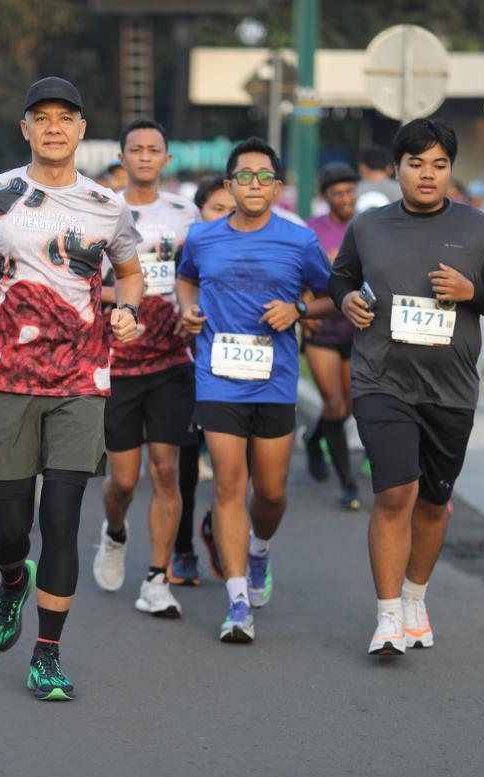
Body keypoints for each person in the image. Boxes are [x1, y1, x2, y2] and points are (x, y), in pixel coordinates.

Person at [0, 77, 143, 700]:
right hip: (6, 376)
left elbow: (130, 272)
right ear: (25, 128)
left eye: (66, 118)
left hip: (83, 379)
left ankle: (47, 653)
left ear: (82, 130)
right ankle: (11, 580)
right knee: (10, 530)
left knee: (61, 520)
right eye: (42, 118)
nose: (54, 128)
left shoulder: (107, 203)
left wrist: (128, 310)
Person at [329, 119, 484, 656]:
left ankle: (415, 598)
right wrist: (346, 300)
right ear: (396, 169)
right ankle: (388, 617)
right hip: (381, 378)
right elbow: (341, 278)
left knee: (434, 502)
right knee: (395, 493)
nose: (427, 174)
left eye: (439, 164)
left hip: (450, 387)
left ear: (450, 169)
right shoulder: (368, 226)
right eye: (416, 164)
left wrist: (470, 290)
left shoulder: (480, 228)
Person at [177, 137, 333, 644]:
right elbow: (186, 278)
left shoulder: (299, 241)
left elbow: (333, 293)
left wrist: (298, 310)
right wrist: (188, 308)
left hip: (275, 380)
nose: (254, 185)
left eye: (265, 177)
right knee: (227, 484)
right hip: (218, 376)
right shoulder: (202, 237)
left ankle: (260, 550)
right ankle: (238, 601)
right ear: (230, 184)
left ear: (277, 187)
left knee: (269, 493)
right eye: (244, 176)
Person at [92, 119, 199, 613]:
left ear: (166, 159)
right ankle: (115, 532)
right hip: (118, 358)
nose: (145, 158)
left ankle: (157, 578)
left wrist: (188, 310)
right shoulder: (101, 207)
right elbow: (85, 284)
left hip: (171, 358)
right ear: (122, 158)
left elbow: (193, 276)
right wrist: (130, 296)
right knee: (123, 481)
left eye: (154, 150)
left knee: (167, 468)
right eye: (136, 150)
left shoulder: (185, 212)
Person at [173, 175, 237, 585]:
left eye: (233, 209)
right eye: (218, 209)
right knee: (186, 466)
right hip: (187, 368)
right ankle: (182, 549)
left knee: (240, 467)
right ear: (199, 213)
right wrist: (186, 318)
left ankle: (216, 524)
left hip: (242, 373)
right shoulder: (189, 248)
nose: (227, 217)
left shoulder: (260, 246)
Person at [302, 162, 362, 510]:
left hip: (358, 328)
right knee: (334, 404)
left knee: (350, 406)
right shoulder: (312, 230)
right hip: (323, 328)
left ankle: (314, 439)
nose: (345, 198)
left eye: (350, 191)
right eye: (337, 193)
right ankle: (348, 484)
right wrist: (304, 307)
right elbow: (297, 273)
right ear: (326, 196)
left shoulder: (367, 226)